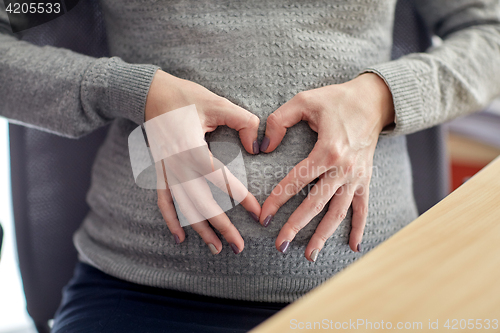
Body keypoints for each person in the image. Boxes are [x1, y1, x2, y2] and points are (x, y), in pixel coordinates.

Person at [1, 0, 500, 332]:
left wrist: (382, 96)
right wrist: (133, 91)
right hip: (142, 292)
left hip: (375, 288)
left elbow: (490, 31)